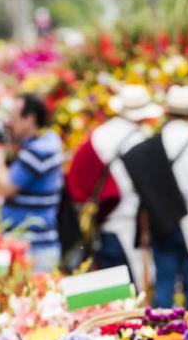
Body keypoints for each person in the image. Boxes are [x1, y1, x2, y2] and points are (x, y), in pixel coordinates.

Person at [121, 86, 188, 309]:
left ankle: (161, 332)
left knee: (164, 282)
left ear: (167, 111)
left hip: (163, 218)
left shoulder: (154, 143)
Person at [65, 85, 163, 284]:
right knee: (131, 284)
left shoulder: (100, 134)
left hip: (102, 219)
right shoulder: (139, 141)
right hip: (127, 220)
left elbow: (77, 176)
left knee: (110, 284)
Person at [0, 94, 64, 273]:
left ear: (30, 119)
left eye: (13, 117)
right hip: (29, 245)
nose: (9, 123)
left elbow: (6, 188)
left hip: (34, 248)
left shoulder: (40, 151)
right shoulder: (41, 144)